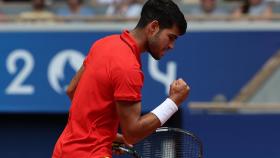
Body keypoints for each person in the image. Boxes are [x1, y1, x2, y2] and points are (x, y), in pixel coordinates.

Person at [52, 0, 190, 157]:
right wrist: (173, 102)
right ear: (153, 27)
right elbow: (132, 134)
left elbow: (72, 90)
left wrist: (106, 135)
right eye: (170, 37)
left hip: (63, 150)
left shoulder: (103, 44)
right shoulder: (128, 68)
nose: (171, 45)